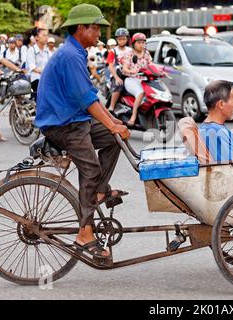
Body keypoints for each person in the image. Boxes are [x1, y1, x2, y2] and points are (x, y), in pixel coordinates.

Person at [35, 4, 130, 261]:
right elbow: (85, 99)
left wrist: (114, 124)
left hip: (76, 119)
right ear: (81, 28)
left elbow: (91, 98)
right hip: (62, 124)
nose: (99, 33)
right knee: (90, 169)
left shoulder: (76, 53)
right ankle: (84, 234)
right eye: (95, 27)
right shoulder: (69, 55)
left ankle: (96, 193)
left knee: (115, 139)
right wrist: (111, 123)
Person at [121, 32, 152, 126]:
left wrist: (160, 71)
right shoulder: (129, 53)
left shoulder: (146, 53)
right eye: (139, 42)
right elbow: (124, 68)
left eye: (143, 42)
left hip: (144, 80)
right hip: (131, 79)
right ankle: (133, 116)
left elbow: (151, 65)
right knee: (140, 93)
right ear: (133, 43)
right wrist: (132, 71)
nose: (141, 45)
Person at [106, 28, 131, 112]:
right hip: (117, 74)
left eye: (124, 39)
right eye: (120, 39)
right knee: (119, 85)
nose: (122, 41)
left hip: (129, 74)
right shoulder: (113, 51)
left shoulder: (131, 50)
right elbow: (110, 66)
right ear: (117, 39)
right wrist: (116, 78)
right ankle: (112, 107)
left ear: (127, 39)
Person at [27, 28, 51, 100]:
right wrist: (45, 72)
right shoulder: (31, 50)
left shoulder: (47, 51)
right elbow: (33, 68)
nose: (46, 37)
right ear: (36, 37)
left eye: (47, 35)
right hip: (35, 79)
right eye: (44, 35)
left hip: (46, 79)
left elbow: (51, 65)